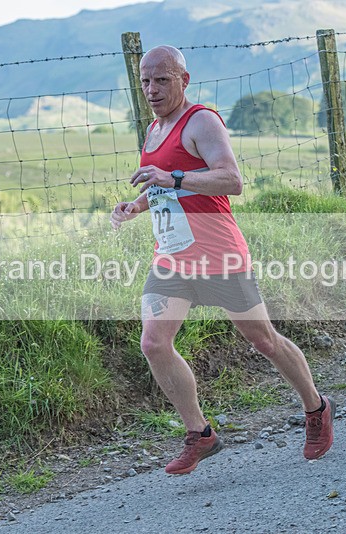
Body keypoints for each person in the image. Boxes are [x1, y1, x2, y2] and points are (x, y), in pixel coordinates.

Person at [110, 45, 333, 475]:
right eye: (144, 81)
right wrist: (137, 205)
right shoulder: (155, 128)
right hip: (173, 258)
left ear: (183, 80)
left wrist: (172, 177)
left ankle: (316, 407)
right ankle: (200, 433)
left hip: (219, 255)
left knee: (263, 340)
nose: (151, 90)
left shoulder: (202, 121)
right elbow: (164, 184)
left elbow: (231, 179)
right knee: (154, 343)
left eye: (161, 80)